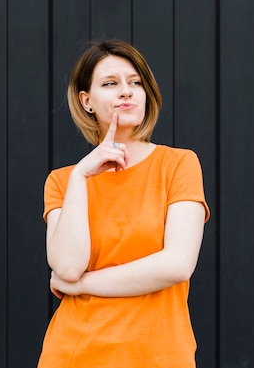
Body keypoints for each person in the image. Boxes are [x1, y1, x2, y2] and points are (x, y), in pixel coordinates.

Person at [38, 40, 210, 367]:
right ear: (86, 101)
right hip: (75, 353)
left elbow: (177, 264)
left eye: (135, 83)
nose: (126, 92)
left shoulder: (178, 165)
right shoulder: (62, 181)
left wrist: (80, 285)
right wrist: (80, 177)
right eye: (110, 83)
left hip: (159, 355)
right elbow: (68, 267)